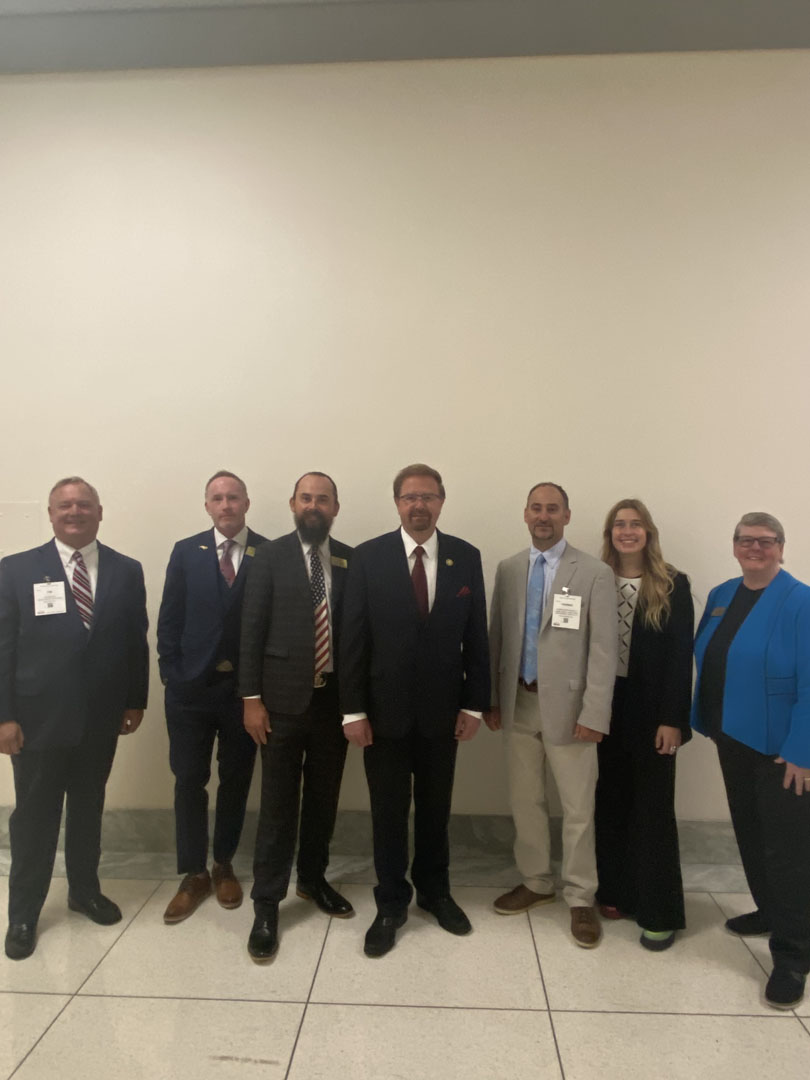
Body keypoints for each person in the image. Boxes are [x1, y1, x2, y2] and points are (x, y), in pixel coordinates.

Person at [340, 464, 489, 957]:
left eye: (428, 496)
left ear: (441, 501)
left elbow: (477, 636)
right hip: (381, 715)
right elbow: (352, 638)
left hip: (443, 713)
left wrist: (474, 703)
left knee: (435, 809)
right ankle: (390, 903)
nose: (419, 505)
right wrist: (352, 710)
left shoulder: (466, 557)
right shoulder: (368, 557)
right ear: (397, 503)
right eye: (410, 497)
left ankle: (435, 892)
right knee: (387, 812)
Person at [0, 477, 148, 960]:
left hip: (100, 719)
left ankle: (84, 892)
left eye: (84, 504)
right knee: (34, 818)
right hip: (37, 721)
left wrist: (136, 700)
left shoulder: (127, 570)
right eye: (65, 505)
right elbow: (2, 648)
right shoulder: (16, 569)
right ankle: (23, 913)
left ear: (99, 512)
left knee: (88, 809)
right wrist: (3, 716)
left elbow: (135, 640)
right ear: (50, 514)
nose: (75, 512)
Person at [486, 482, 617, 948]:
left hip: (571, 709)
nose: (544, 516)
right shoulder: (509, 569)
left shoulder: (595, 572)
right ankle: (537, 881)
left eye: (553, 509)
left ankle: (580, 897)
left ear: (567, 515)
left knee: (578, 808)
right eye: (536, 508)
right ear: (525, 514)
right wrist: (493, 698)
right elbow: (497, 636)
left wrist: (595, 713)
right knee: (526, 800)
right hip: (519, 702)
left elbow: (604, 650)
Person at [693, 512, 810, 1010]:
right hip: (733, 737)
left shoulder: (801, 600)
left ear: (781, 546)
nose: (755, 548)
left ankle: (793, 956)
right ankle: (768, 911)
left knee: (788, 853)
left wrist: (803, 752)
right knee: (750, 833)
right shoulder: (722, 595)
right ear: (735, 545)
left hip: (782, 752)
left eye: (765, 541)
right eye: (746, 540)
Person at [239, 472, 353, 962]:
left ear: (335, 507)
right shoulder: (268, 557)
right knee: (278, 807)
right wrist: (251, 700)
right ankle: (267, 903)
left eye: (323, 499)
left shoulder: (350, 559)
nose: (314, 505)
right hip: (280, 706)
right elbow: (250, 630)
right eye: (306, 497)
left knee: (324, 800)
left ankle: (312, 879)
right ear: (292, 503)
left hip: (333, 705)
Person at [157, 470, 267, 923]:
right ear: (207, 506)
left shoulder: (269, 553)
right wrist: (171, 673)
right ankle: (193, 872)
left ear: (246, 503)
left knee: (236, 779)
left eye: (233, 497)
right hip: (191, 691)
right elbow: (169, 617)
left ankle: (223, 864)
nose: (226, 505)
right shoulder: (186, 551)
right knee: (188, 779)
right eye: (217, 498)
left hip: (245, 693)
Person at [593, 498, 693, 951]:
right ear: (610, 533)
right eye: (619, 524)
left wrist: (673, 719)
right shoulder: (595, 578)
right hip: (604, 707)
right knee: (611, 801)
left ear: (648, 532)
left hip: (653, 712)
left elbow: (680, 657)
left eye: (636, 524)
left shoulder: (672, 583)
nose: (627, 531)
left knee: (652, 810)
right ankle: (615, 892)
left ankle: (658, 912)